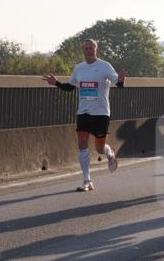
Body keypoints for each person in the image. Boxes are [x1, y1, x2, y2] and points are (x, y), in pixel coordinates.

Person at [43, 40, 126, 191]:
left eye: (91, 48)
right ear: (83, 51)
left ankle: (109, 152)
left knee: (99, 148)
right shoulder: (79, 68)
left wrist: (121, 80)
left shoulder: (104, 66)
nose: (89, 51)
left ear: (96, 49)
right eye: (86, 48)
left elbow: (118, 84)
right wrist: (56, 83)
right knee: (82, 143)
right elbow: (70, 87)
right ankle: (87, 181)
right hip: (83, 112)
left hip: (101, 113)